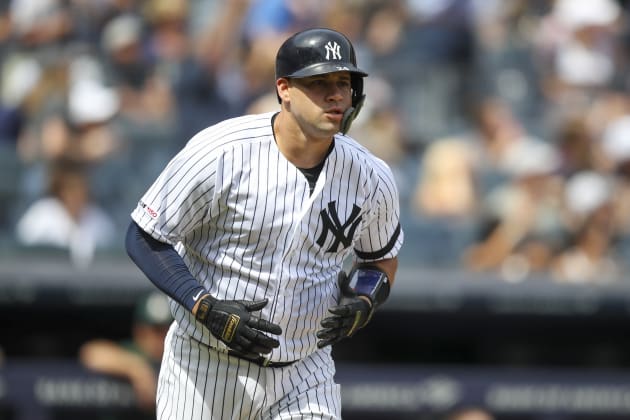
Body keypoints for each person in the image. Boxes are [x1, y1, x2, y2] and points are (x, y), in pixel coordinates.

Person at [125, 27, 403, 419]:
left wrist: (364, 299)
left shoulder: (370, 176)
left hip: (305, 372)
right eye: (319, 82)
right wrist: (203, 306)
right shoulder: (222, 151)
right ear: (285, 89)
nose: (336, 94)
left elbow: (380, 259)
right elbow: (144, 235)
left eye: (344, 82)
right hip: (206, 367)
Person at [79, 291, 173, 415]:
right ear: (139, 331)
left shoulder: (178, 358)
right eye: (156, 330)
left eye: (166, 330)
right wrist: (136, 369)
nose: (161, 338)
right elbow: (90, 353)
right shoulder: (132, 352)